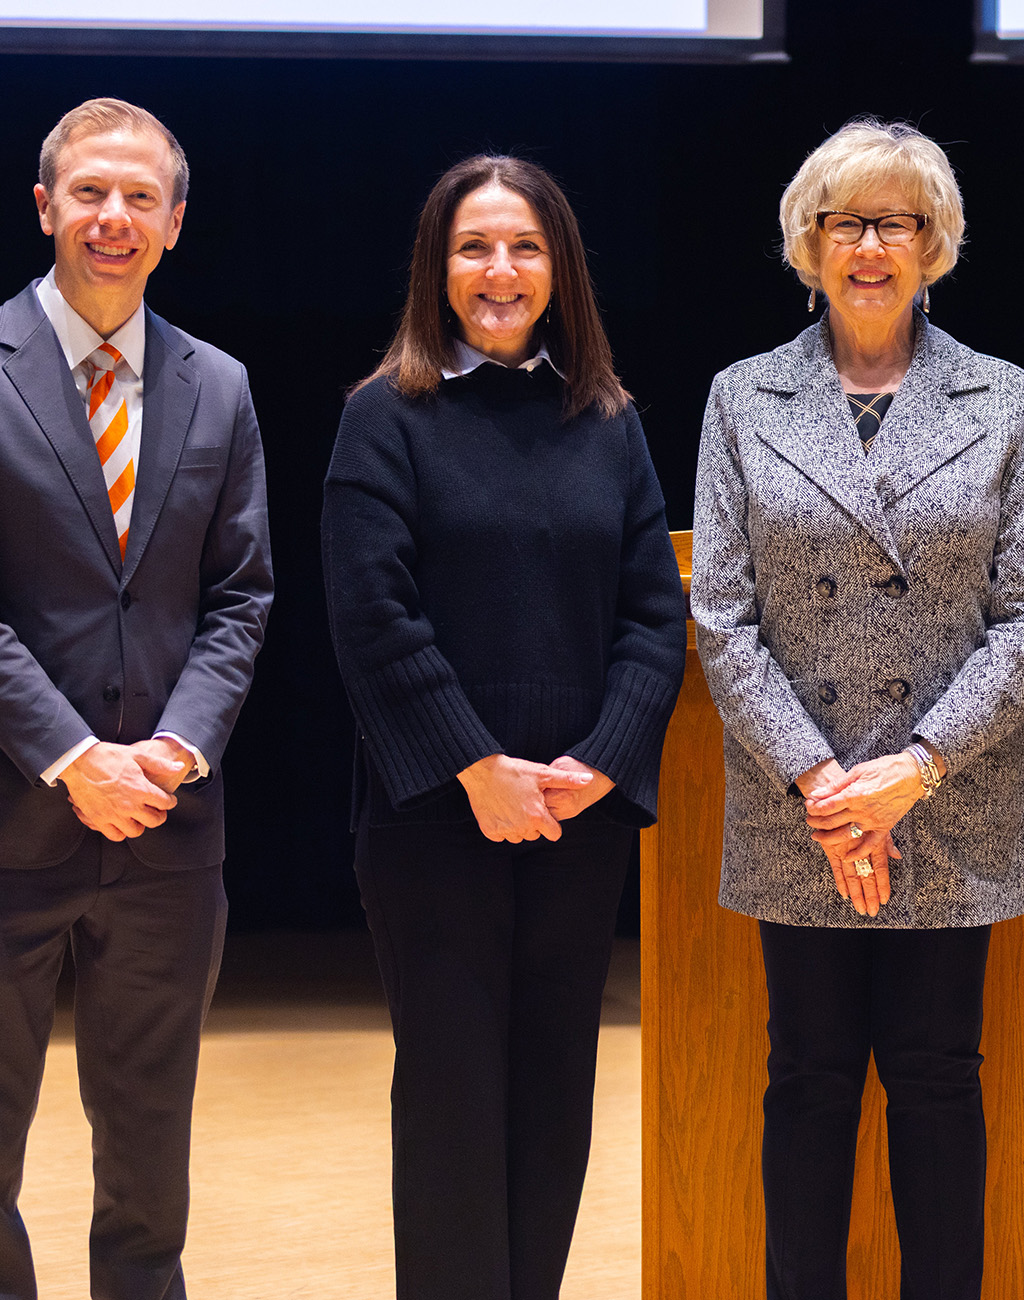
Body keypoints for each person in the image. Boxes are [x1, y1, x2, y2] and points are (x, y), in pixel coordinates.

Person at [0, 98, 273, 1300]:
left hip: (168, 832)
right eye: (88, 193)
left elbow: (242, 597)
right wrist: (77, 759)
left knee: (150, 1152)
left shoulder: (219, 386)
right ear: (45, 206)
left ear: (173, 220)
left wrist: (173, 749)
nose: (112, 217)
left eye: (138, 198)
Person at [688, 117, 1024, 1300]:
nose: (869, 245)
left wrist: (915, 769)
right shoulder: (742, 395)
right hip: (800, 803)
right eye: (845, 220)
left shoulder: (1002, 397)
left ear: (934, 244)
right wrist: (826, 785)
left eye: (896, 222)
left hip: (946, 797)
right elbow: (721, 617)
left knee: (941, 1076)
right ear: (807, 241)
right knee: (804, 1077)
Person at [322, 154, 683, 1300]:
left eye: (523, 247)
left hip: (576, 820)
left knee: (550, 1104)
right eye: (474, 247)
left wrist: (598, 763)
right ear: (436, 268)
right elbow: (372, 616)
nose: (499, 270)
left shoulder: (608, 421)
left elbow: (653, 614)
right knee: (452, 1102)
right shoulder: (385, 417)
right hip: (435, 821)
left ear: (558, 268)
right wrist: (478, 768)